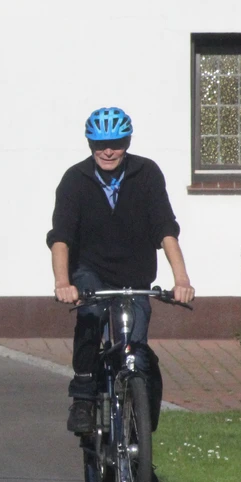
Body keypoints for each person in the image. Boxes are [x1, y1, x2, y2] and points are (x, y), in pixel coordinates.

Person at [46, 107, 194, 437]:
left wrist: (181, 279)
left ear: (127, 142)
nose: (108, 151)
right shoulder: (75, 180)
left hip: (134, 276)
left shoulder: (147, 174)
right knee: (91, 315)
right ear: (90, 145)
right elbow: (61, 237)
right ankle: (83, 397)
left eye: (116, 142)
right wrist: (62, 282)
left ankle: (140, 449)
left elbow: (165, 229)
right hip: (90, 272)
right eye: (100, 144)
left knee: (139, 360)